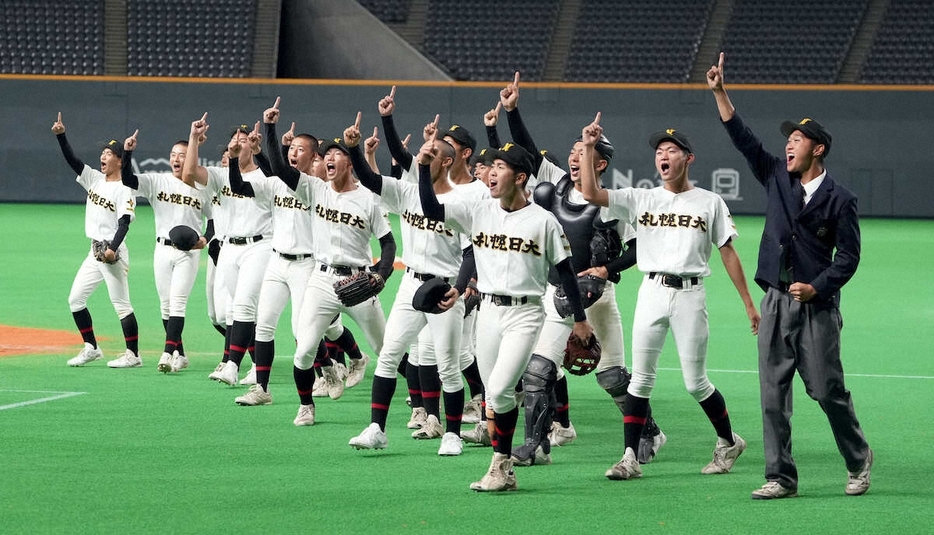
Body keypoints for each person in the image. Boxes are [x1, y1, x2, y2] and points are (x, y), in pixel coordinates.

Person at [707, 52, 873, 499]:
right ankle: (780, 476)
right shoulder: (777, 176)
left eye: (797, 140)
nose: (788, 145)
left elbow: (849, 257)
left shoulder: (841, 199)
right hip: (776, 301)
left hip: (815, 307)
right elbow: (743, 140)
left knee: (825, 389)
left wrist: (817, 286)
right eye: (788, 140)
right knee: (771, 394)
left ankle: (858, 458)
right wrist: (721, 92)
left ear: (817, 149)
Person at [579, 113, 760, 481]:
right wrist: (588, 147)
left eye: (671, 150)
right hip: (652, 291)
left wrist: (748, 302)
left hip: (691, 296)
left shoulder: (709, 202)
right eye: (659, 151)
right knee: (640, 380)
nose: (663, 155)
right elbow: (589, 192)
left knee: (696, 382)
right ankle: (630, 456)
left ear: (687, 159)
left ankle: (729, 441)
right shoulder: (641, 198)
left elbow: (728, 252)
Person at [497, 71, 664, 466]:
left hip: (597, 299)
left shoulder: (611, 201)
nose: (574, 157)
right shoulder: (554, 183)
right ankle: (536, 446)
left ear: (600, 162)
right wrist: (513, 111)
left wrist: (606, 270)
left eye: (583, 152)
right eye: (572, 151)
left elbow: (640, 249)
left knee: (612, 378)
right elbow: (528, 150)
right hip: (556, 295)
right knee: (538, 371)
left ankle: (651, 431)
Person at [419, 136, 594, 492]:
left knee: (498, 392)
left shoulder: (543, 222)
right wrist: (423, 168)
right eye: (492, 166)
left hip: (526, 314)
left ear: (520, 177)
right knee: (494, 394)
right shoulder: (479, 211)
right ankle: (507, 464)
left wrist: (580, 319)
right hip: (488, 312)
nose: (492, 172)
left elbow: (565, 275)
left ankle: (501, 465)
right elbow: (432, 210)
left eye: (500, 167)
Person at [343, 112, 474, 455]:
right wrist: (354, 149)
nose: (422, 155)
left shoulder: (461, 203)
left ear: (447, 161)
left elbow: (471, 253)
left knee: (448, 366)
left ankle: (453, 434)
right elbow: (372, 181)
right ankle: (376, 428)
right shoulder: (407, 192)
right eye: (422, 152)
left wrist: (458, 290)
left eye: (431, 152)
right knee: (388, 356)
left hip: (444, 289)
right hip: (410, 284)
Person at [262, 112, 396, 428]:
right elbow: (281, 169)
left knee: (387, 349)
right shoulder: (314, 189)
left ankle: (422, 406)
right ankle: (306, 406)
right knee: (304, 350)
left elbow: (389, 245)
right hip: (321, 279)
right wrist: (270, 128)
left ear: (350, 163)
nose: (330, 158)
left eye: (337, 153)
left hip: (359, 280)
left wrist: (380, 274)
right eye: (328, 154)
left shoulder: (369, 200)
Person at [181, 115, 273, 387]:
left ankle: (231, 365)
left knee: (243, 304)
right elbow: (188, 174)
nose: (238, 142)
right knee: (242, 311)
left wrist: (260, 150)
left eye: (243, 139)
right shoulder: (220, 175)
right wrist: (193, 138)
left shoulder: (265, 176)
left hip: (260, 245)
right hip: (229, 248)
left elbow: (276, 178)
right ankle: (257, 365)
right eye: (235, 139)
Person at [52, 112, 141, 368]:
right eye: (103, 153)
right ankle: (92, 347)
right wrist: (61, 136)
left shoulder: (124, 188)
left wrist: (112, 249)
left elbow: (124, 222)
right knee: (75, 300)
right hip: (95, 251)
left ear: (120, 161)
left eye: (109, 154)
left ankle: (133, 355)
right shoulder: (95, 179)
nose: (103, 157)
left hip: (113, 252)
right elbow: (73, 161)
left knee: (121, 305)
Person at [121, 131, 212, 374]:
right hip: (161, 249)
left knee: (178, 303)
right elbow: (129, 180)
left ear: (191, 157)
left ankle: (167, 352)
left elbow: (214, 220)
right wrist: (127, 152)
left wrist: (205, 238)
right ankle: (180, 354)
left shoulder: (202, 188)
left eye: (182, 155)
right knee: (165, 305)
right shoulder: (158, 181)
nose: (176, 159)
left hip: (188, 253)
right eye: (173, 155)